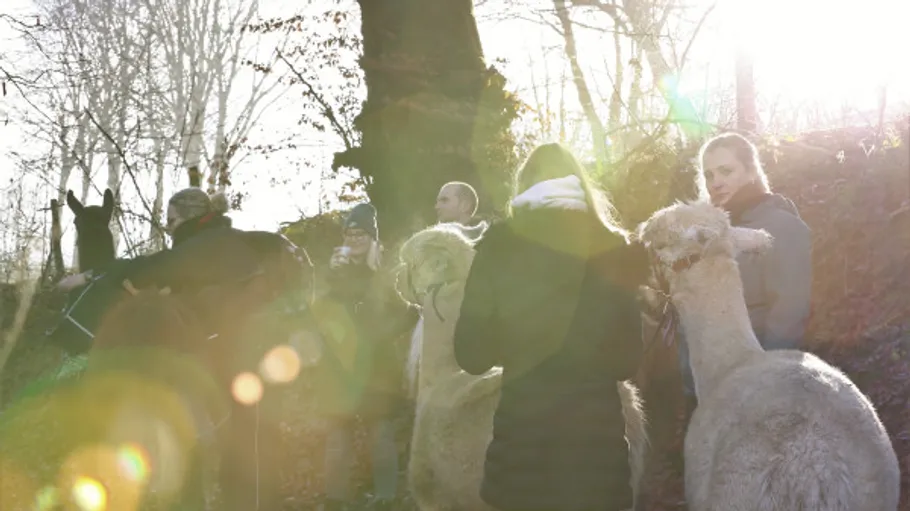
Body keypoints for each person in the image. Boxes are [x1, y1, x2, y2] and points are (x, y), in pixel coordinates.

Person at [452, 143, 647, 511]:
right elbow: (626, 360)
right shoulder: (613, 248)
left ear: (524, 185)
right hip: (595, 456)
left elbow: (471, 355)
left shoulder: (499, 246)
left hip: (522, 455)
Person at [676, 132, 813, 399]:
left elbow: (789, 314)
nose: (716, 182)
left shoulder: (782, 226)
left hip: (760, 386)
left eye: (726, 171)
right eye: (709, 175)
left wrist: (762, 381)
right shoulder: (705, 234)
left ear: (751, 171)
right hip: (708, 386)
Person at [314, 203, 415, 511]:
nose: (354, 238)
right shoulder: (333, 272)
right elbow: (319, 314)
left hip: (377, 367)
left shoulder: (386, 273)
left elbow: (409, 314)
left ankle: (386, 499)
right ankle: (334, 501)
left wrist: (378, 336)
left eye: (361, 233)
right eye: (349, 233)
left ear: (372, 237)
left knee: (380, 433)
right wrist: (332, 276)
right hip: (339, 366)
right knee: (337, 435)